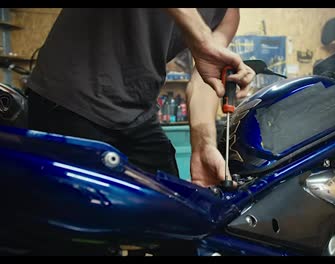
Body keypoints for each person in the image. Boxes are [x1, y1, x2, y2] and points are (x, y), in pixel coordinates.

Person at [26, 8, 255, 187]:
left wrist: (203, 145)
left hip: (136, 115)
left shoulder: (227, 15)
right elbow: (206, 47)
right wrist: (202, 37)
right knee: (80, 230)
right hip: (68, 100)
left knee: (173, 221)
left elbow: (206, 79)